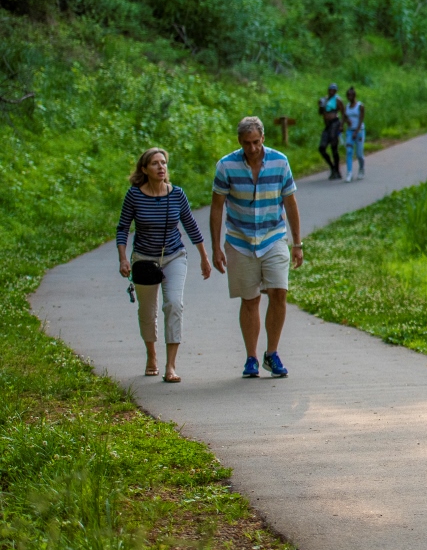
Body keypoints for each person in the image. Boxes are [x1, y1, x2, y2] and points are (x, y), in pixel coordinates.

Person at [210, 116, 303, 379]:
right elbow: (217, 207)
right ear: (239, 142)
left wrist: (297, 243)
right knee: (250, 299)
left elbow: (291, 203)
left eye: (256, 142)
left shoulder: (279, 161)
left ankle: (271, 353)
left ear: (263, 138)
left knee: (279, 292)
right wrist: (216, 248)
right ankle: (251, 357)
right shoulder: (226, 166)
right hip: (240, 239)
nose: (252, 148)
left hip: (273, 237)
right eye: (246, 143)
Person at [116, 148, 211, 382]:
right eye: (155, 164)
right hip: (144, 259)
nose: (161, 167)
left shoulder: (177, 194)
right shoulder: (134, 195)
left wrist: (204, 256)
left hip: (174, 256)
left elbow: (190, 225)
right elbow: (122, 228)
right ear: (144, 169)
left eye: (164, 163)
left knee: (174, 304)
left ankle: (171, 366)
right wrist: (123, 257)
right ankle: (151, 356)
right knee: (147, 312)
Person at [317, 83, 343, 180]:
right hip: (327, 125)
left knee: (334, 146)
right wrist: (320, 106)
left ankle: (337, 170)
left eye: (333, 90)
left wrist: (341, 126)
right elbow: (320, 113)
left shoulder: (338, 100)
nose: (331, 91)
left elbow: (343, 113)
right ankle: (332, 167)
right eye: (330, 89)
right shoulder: (324, 100)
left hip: (335, 124)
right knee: (322, 147)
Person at [342, 85, 366, 182]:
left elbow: (361, 120)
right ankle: (349, 173)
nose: (349, 97)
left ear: (354, 96)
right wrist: (342, 125)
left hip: (359, 131)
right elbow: (344, 117)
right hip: (349, 131)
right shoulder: (347, 107)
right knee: (349, 152)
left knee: (359, 154)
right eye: (348, 96)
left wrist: (356, 131)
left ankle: (361, 168)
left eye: (351, 95)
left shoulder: (360, 106)